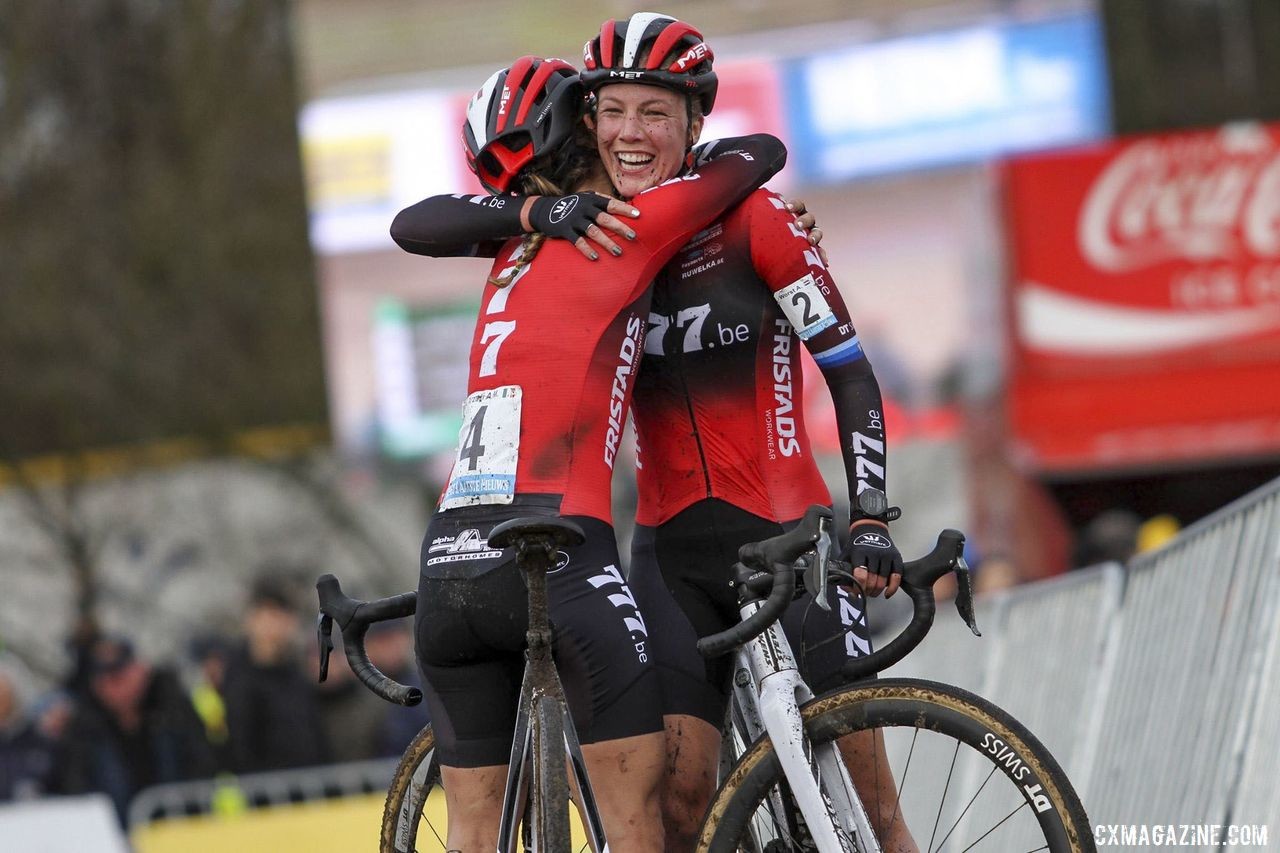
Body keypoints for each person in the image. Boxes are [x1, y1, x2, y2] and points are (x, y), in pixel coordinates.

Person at [401, 14, 915, 849]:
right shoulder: (591, 229)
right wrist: (541, 208)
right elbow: (425, 221)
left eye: (655, 114)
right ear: (586, 121)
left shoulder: (760, 222)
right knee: (677, 807)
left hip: (788, 530)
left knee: (876, 812)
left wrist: (869, 512)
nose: (630, 134)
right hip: (669, 554)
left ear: (694, 123)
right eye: (612, 112)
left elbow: (849, 370)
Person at [391, 53, 785, 851]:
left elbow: (414, 223)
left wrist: (530, 214)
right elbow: (763, 154)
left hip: (448, 564)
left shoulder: (509, 251)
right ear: (585, 134)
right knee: (636, 814)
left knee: (472, 825)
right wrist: (694, 152)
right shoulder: (630, 227)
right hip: (557, 551)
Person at [52, 634, 217, 824]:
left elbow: (201, 765)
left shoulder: (174, 709)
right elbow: (76, 785)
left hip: (180, 831)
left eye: (119, 676)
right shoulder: (84, 728)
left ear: (140, 670)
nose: (113, 687)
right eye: (104, 679)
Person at [222, 576, 329, 774]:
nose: (276, 624)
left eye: (282, 615)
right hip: (266, 798)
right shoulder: (237, 679)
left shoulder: (298, 676)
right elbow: (240, 749)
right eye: (269, 614)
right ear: (251, 619)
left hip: (309, 793)